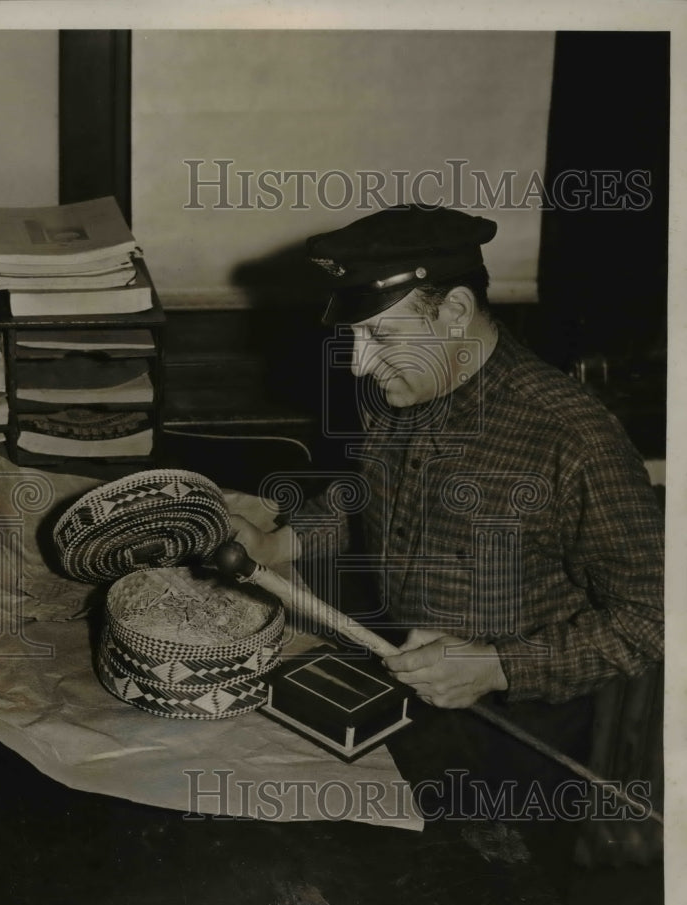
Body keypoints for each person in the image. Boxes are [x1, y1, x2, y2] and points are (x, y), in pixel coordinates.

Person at [230, 204, 664, 712]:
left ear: (456, 312)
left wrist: (501, 666)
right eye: (352, 336)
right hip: (404, 670)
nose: (358, 365)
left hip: (518, 717)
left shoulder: (571, 437)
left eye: (381, 335)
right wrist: (276, 543)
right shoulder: (403, 388)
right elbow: (367, 498)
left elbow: (655, 614)